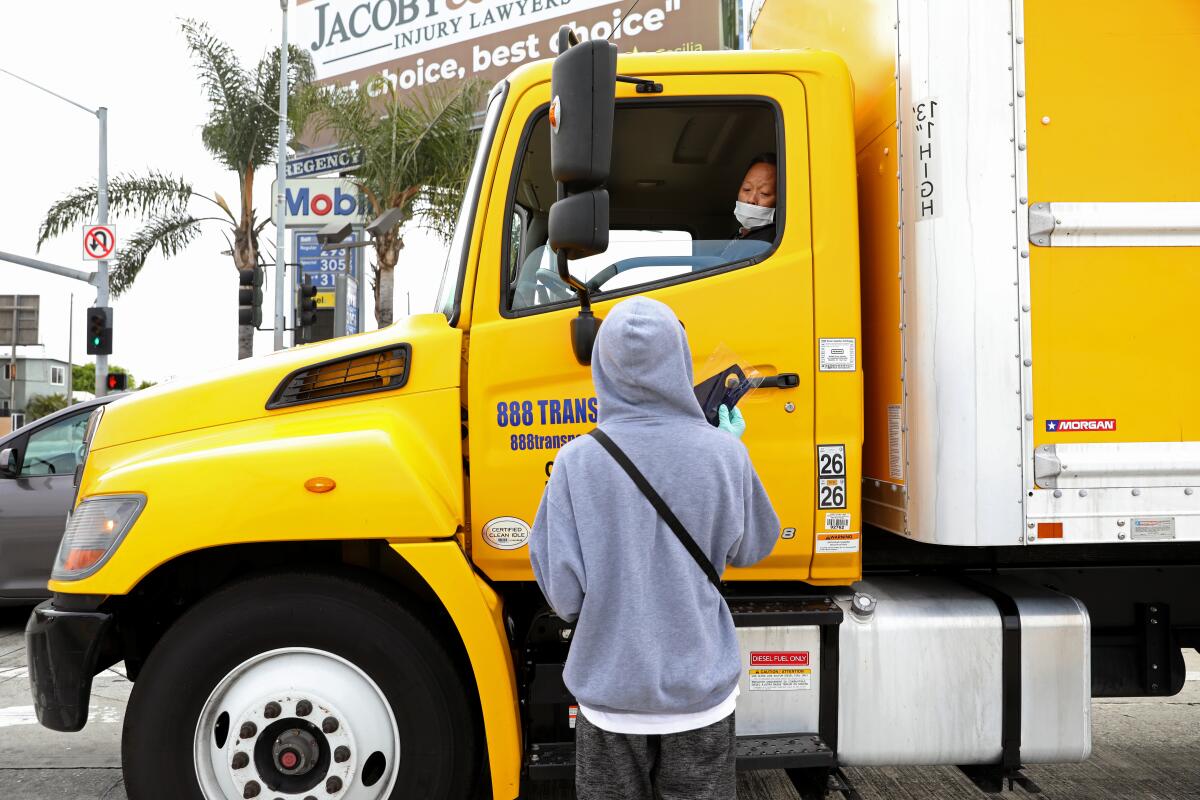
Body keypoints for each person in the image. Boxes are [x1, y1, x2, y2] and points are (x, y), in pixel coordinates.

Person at [529, 296, 781, 800]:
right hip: (700, 694)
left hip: (610, 696)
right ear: (680, 361)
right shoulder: (723, 453)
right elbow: (753, 547)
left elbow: (564, 596)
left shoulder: (576, 462)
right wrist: (735, 453)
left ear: (602, 365)